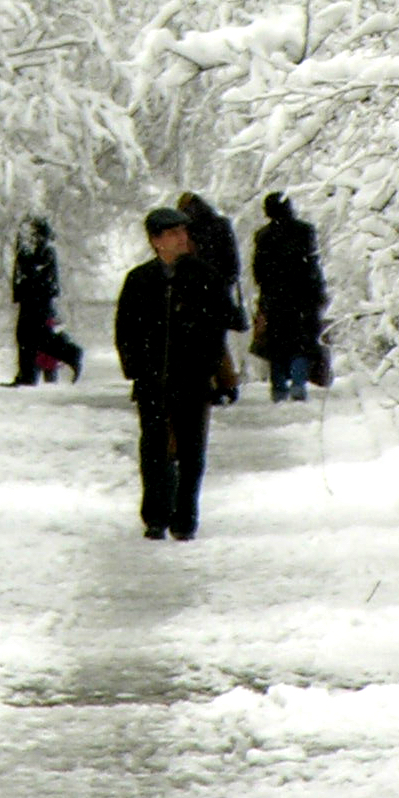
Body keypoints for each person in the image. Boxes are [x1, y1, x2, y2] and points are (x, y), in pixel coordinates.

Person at [114, 207, 234, 540]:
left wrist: (208, 360)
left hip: (193, 380)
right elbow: (126, 328)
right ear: (156, 241)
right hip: (152, 381)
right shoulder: (140, 280)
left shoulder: (204, 277)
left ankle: (185, 518)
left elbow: (226, 321)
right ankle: (155, 516)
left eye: (184, 232)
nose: (183, 239)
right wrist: (136, 367)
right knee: (154, 450)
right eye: (173, 233)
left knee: (192, 452)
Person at [252, 189, 330, 403]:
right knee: (301, 343)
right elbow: (313, 263)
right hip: (303, 296)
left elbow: (258, 271)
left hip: (275, 297)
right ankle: (298, 384)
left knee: (276, 345)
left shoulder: (263, 236)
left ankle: (278, 388)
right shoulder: (305, 231)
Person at [175, 191, 249, 404]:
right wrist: (227, 281)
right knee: (216, 339)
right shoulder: (220, 225)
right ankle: (227, 384)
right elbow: (232, 261)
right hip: (218, 291)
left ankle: (209, 384)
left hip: (193, 291)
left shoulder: (184, 229)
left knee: (197, 340)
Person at [9, 214, 84, 385]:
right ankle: (27, 375)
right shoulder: (34, 247)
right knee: (29, 338)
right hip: (33, 299)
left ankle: (71, 353)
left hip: (38, 300)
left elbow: (35, 274)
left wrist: (27, 288)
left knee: (36, 338)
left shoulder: (42, 249)